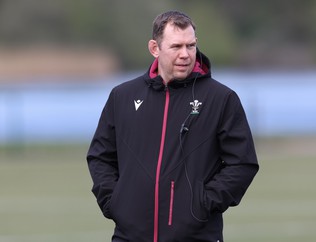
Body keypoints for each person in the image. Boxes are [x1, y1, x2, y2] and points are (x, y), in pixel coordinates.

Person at [86, 10, 259, 242]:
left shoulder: (221, 98)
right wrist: (115, 202)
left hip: (197, 235)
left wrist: (202, 203)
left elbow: (243, 163)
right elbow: (100, 157)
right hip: (130, 236)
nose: (185, 54)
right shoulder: (123, 96)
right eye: (176, 46)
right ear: (154, 48)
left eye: (191, 46)